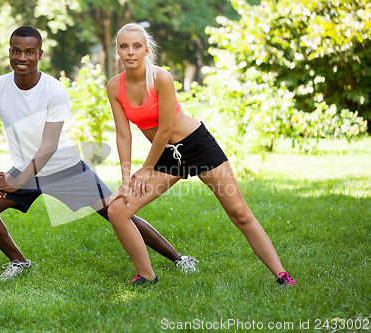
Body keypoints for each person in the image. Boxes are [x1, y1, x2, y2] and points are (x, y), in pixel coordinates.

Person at [0, 25, 197, 281]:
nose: (22, 57)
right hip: (25, 169)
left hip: (64, 167)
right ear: (9, 52)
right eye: (17, 51)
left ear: (40, 54)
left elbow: (49, 145)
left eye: (30, 52)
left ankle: (179, 258)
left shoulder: (53, 90)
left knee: (116, 211)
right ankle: (19, 262)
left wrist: (16, 183)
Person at [106, 22, 297, 286]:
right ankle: (146, 276)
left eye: (137, 46)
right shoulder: (115, 87)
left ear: (146, 50)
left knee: (239, 212)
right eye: (124, 46)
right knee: (118, 210)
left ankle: (282, 275)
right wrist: (127, 178)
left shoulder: (161, 78)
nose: (130, 52)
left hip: (196, 145)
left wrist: (146, 168)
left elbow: (165, 129)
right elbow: (123, 134)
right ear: (117, 50)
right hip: (165, 156)